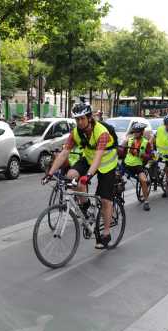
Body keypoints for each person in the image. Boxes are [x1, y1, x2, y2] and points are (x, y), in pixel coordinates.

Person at [44, 102, 118, 249]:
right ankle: (86, 208)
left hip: (107, 164)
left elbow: (98, 158)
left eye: (82, 118)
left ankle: (106, 233)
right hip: (89, 159)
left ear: (89, 118)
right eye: (76, 119)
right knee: (71, 175)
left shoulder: (102, 132)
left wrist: (88, 175)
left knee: (105, 200)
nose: (79, 122)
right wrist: (50, 173)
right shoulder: (76, 132)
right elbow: (64, 153)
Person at [121, 122, 153, 211]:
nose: (135, 133)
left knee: (143, 180)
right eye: (134, 131)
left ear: (142, 132)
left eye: (137, 132)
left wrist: (140, 155)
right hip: (127, 163)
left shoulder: (146, 143)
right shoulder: (129, 140)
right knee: (115, 177)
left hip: (138, 165)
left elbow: (150, 156)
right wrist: (121, 149)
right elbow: (122, 152)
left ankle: (146, 202)